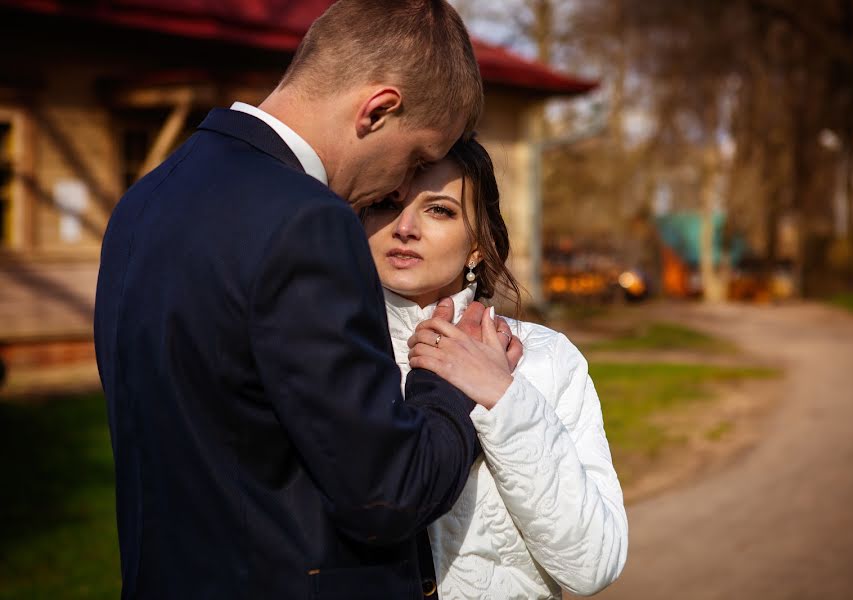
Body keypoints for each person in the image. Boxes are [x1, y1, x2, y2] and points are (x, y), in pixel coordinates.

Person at [93, 2, 522, 598]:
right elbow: (388, 491)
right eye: (419, 157)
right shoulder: (307, 222)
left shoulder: (144, 200)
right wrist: (446, 382)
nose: (402, 187)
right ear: (378, 110)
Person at [362, 137, 629, 599]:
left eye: (439, 210)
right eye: (389, 203)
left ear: (478, 247)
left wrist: (503, 398)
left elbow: (594, 563)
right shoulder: (324, 350)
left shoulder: (547, 357)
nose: (405, 227)